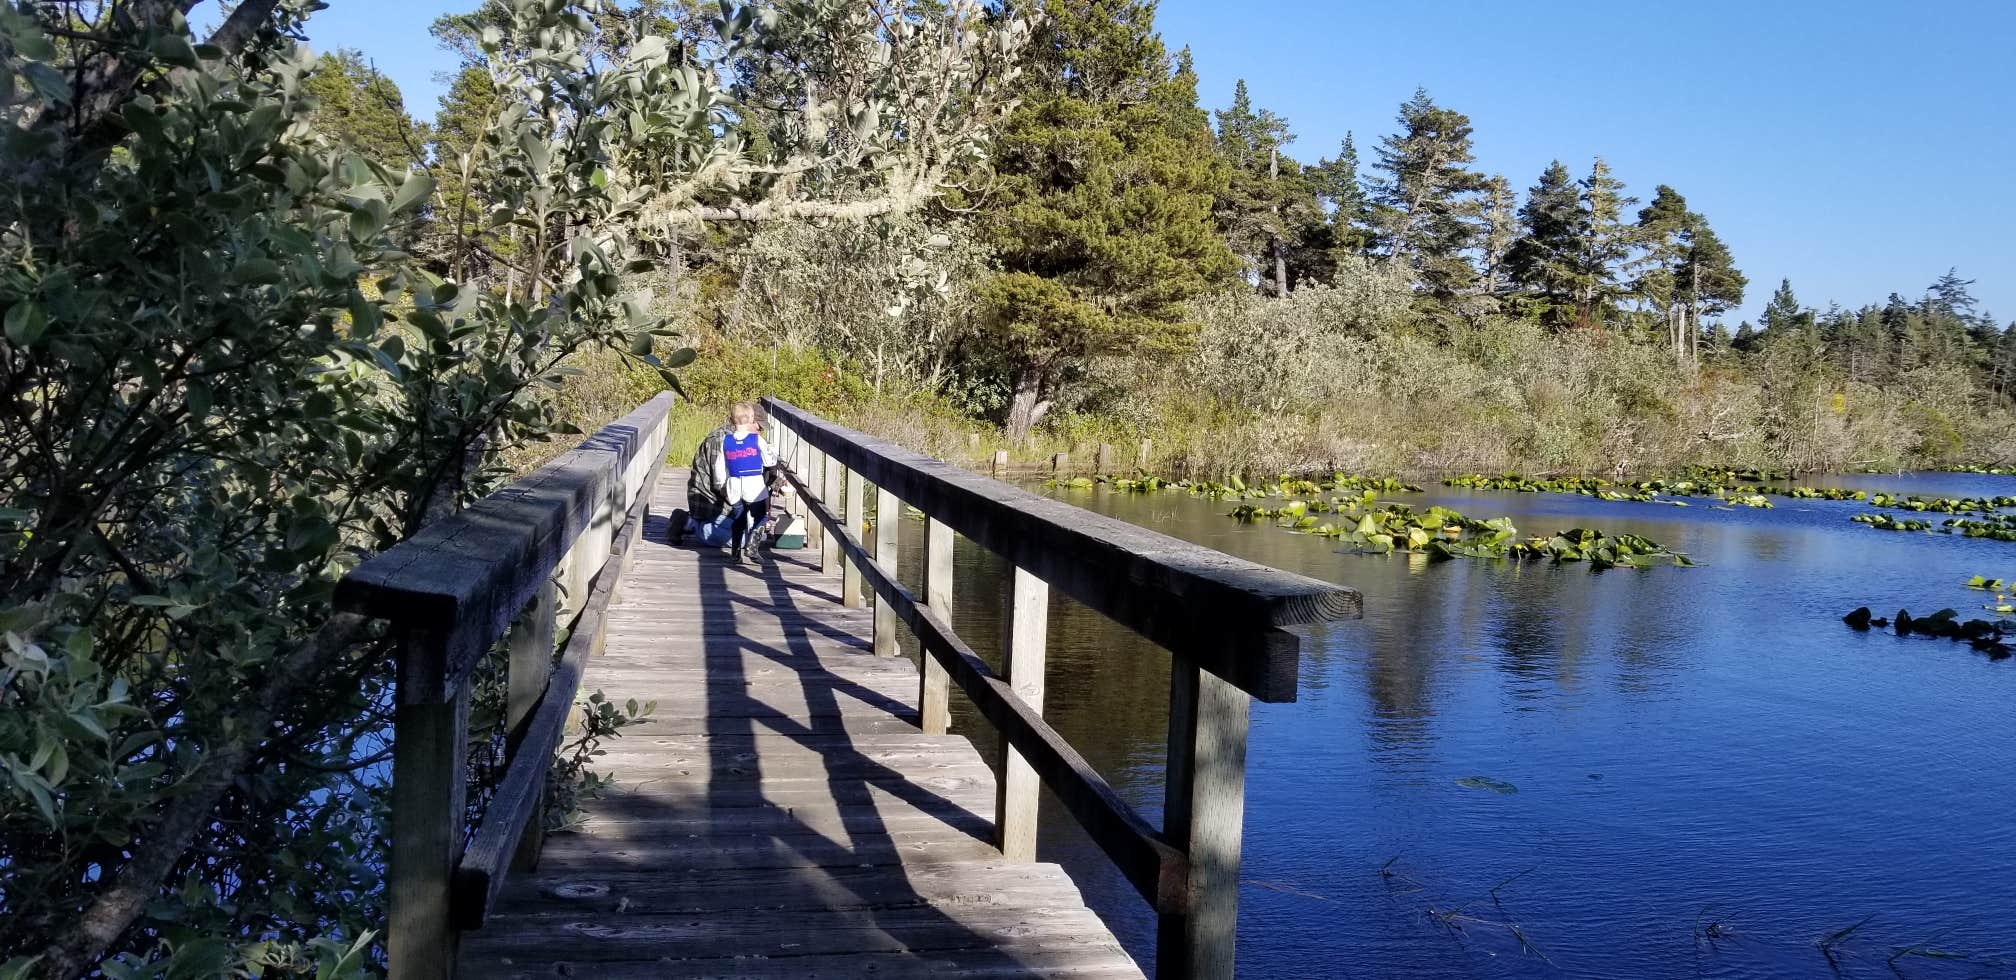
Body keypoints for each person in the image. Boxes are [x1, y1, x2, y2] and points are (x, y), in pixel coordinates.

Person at [669, 403, 778, 563]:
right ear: (749, 421)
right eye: (758, 427)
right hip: (711, 504)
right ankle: (689, 523)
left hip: (729, 500)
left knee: (753, 533)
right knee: (744, 540)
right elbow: (720, 484)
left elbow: (755, 467)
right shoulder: (721, 440)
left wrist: (776, 483)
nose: (760, 432)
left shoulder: (747, 440)